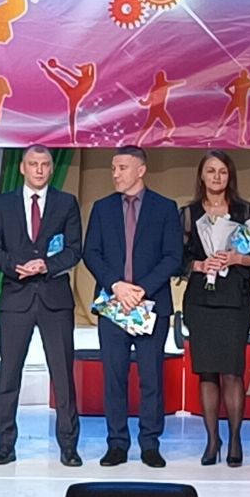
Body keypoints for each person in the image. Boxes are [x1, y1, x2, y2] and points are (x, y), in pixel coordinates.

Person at [82, 145, 182, 468]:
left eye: (122, 168)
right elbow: (91, 252)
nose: (116, 174)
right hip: (113, 305)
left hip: (150, 305)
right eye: (113, 168)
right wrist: (116, 285)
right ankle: (117, 443)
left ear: (141, 170)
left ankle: (150, 443)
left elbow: (173, 256)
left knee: (151, 376)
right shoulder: (102, 208)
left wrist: (141, 289)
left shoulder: (165, 208)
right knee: (114, 377)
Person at [0, 146, 82, 466]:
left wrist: (46, 265)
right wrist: (16, 267)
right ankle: (5, 445)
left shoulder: (66, 203)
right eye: (33, 164)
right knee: (9, 375)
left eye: (45, 165)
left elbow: (74, 249)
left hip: (55, 299)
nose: (39, 170)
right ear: (22, 168)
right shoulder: (3, 204)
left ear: (51, 169)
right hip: (16, 298)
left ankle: (69, 446)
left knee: (63, 375)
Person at [178, 150, 250, 467]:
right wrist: (198, 264)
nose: (216, 177)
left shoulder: (246, 212)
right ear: (202, 175)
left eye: (222, 171)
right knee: (207, 372)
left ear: (230, 176)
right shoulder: (188, 214)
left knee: (232, 371)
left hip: (235, 300)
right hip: (201, 301)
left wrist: (238, 258)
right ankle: (212, 440)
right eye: (211, 171)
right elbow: (176, 257)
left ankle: (235, 439)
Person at [39, 59, 96, 145]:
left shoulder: (89, 78)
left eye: (81, 70)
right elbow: (69, 74)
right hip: (72, 92)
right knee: (58, 79)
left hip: (74, 97)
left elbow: (91, 65)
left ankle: (73, 139)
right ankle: (45, 68)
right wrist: (58, 67)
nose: (80, 72)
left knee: (71, 117)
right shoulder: (83, 78)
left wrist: (83, 67)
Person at [135, 70, 186, 144]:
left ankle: (165, 137)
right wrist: (142, 102)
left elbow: (175, 83)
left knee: (170, 126)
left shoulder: (164, 85)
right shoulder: (155, 87)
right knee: (148, 126)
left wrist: (182, 81)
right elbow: (148, 102)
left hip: (159, 109)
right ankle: (137, 142)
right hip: (154, 109)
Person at [214, 69, 250, 146]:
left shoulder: (246, 81)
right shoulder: (241, 81)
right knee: (227, 119)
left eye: (244, 75)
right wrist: (232, 95)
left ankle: (241, 139)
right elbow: (226, 89)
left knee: (241, 121)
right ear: (242, 75)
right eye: (243, 75)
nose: (243, 76)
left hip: (241, 103)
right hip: (236, 102)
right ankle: (218, 132)